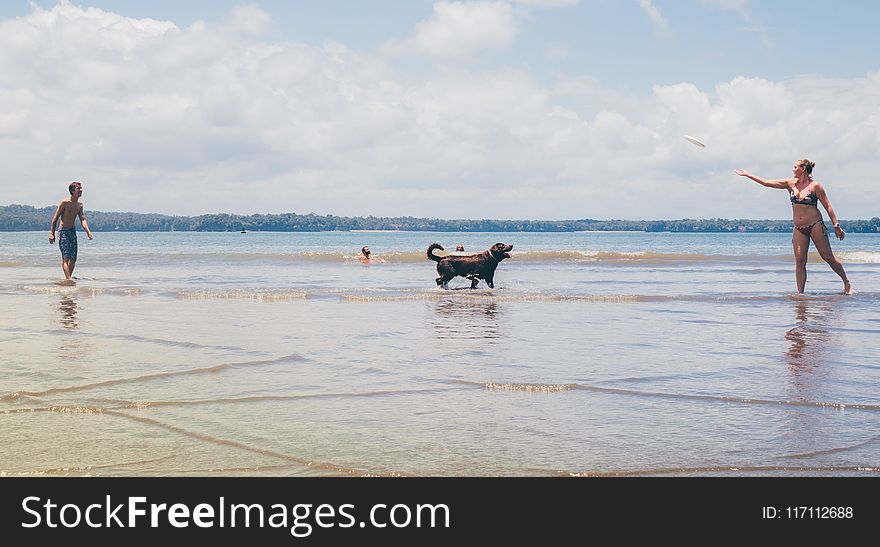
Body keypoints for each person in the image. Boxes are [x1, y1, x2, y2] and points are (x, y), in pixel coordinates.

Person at [735, 160, 852, 294]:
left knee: (827, 257)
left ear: (803, 169)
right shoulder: (790, 184)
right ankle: (800, 293)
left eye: (795, 167)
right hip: (798, 228)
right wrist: (748, 174)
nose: (792, 170)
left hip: (815, 224)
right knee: (800, 261)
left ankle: (846, 283)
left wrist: (836, 225)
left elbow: (828, 206)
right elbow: (766, 183)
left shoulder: (815, 186)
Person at [49, 181, 94, 280]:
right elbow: (55, 218)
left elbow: (82, 219)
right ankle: (69, 279)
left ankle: (67, 279)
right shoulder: (65, 203)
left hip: (72, 231)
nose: (81, 190)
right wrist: (52, 233)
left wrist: (88, 232)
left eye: (81, 188)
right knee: (66, 257)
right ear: (73, 191)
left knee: (73, 258)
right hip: (63, 231)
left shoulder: (79, 205)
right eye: (79, 188)